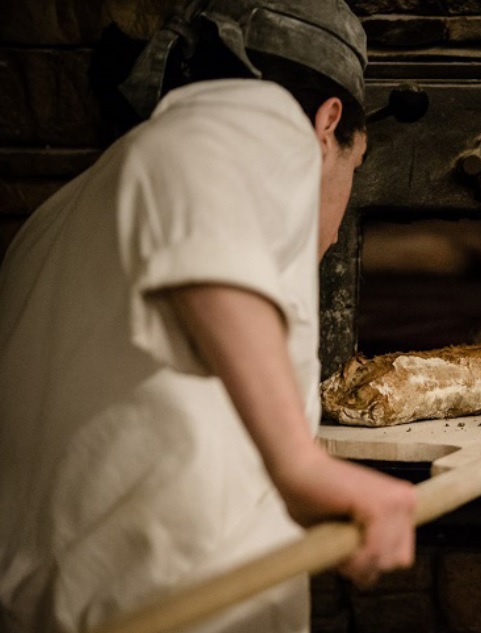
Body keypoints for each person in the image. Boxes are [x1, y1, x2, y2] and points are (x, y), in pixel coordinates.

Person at [0, 1, 416, 631]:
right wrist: (299, 468)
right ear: (328, 123)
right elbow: (194, 171)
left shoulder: (53, 221)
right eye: (353, 171)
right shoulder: (259, 117)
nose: (332, 228)